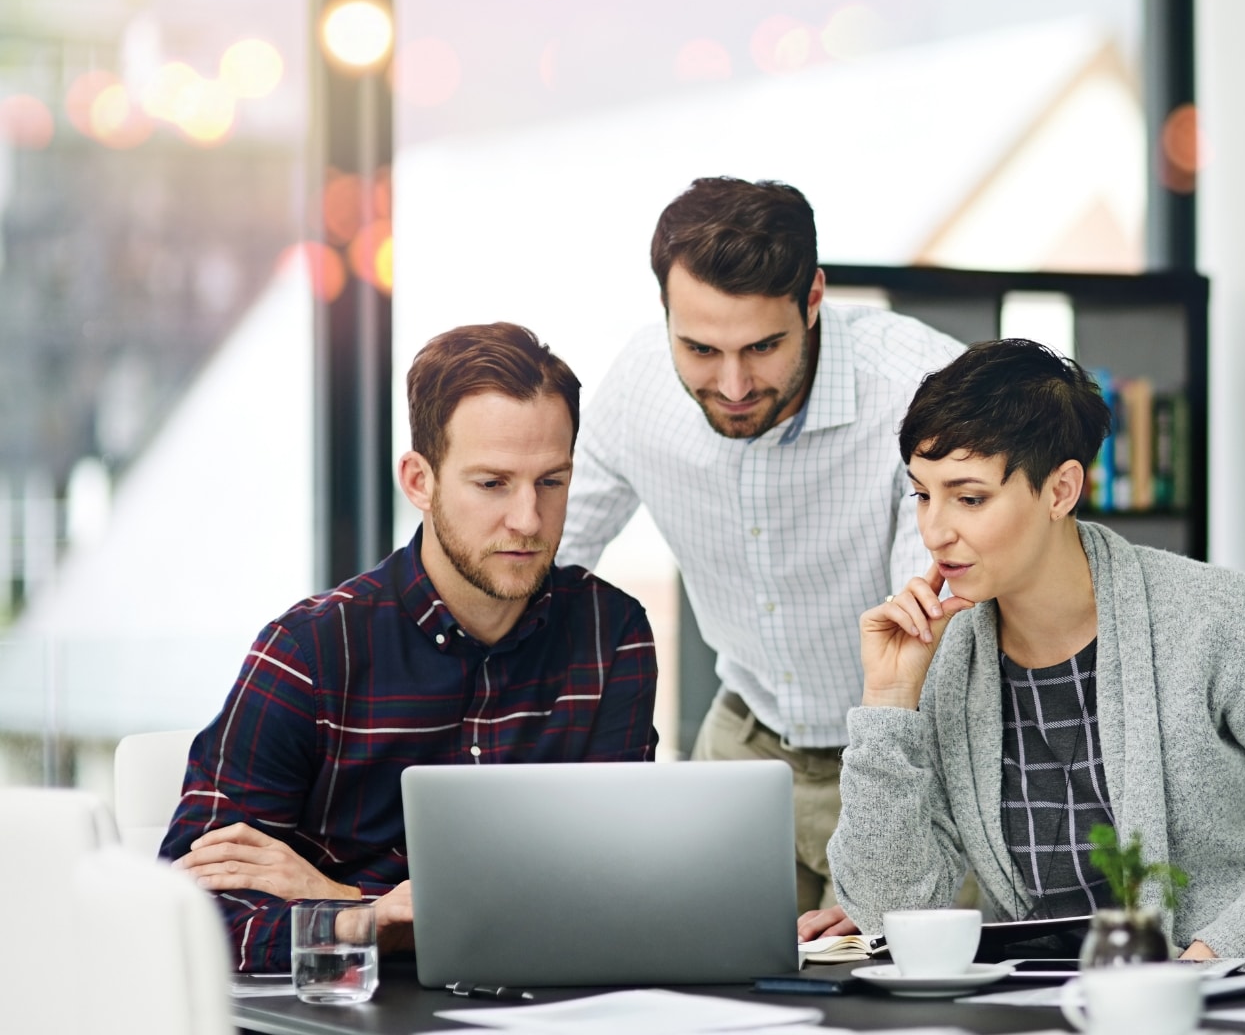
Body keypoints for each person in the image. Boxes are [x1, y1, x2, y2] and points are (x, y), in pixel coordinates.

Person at [811, 338, 1245, 982]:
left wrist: (1210, 962)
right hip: (1064, 1007)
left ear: (1060, 490)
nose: (935, 530)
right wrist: (888, 702)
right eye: (921, 496)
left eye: (969, 498)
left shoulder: (1213, 617)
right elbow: (891, 914)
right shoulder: (946, 655)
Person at [162, 323, 659, 972]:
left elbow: (611, 896)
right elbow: (183, 912)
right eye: (492, 484)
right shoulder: (310, 651)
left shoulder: (611, 634)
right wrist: (362, 920)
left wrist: (341, 899)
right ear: (419, 481)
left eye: (551, 482)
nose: (529, 520)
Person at [557, 177, 962, 914]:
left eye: (764, 347)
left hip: (907, 752)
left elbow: (939, 629)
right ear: (665, 313)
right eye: (701, 348)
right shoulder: (638, 386)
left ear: (813, 298)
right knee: (701, 982)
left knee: (878, 997)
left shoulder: (920, 390)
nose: (735, 384)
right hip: (745, 738)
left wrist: (884, 855)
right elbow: (546, 561)